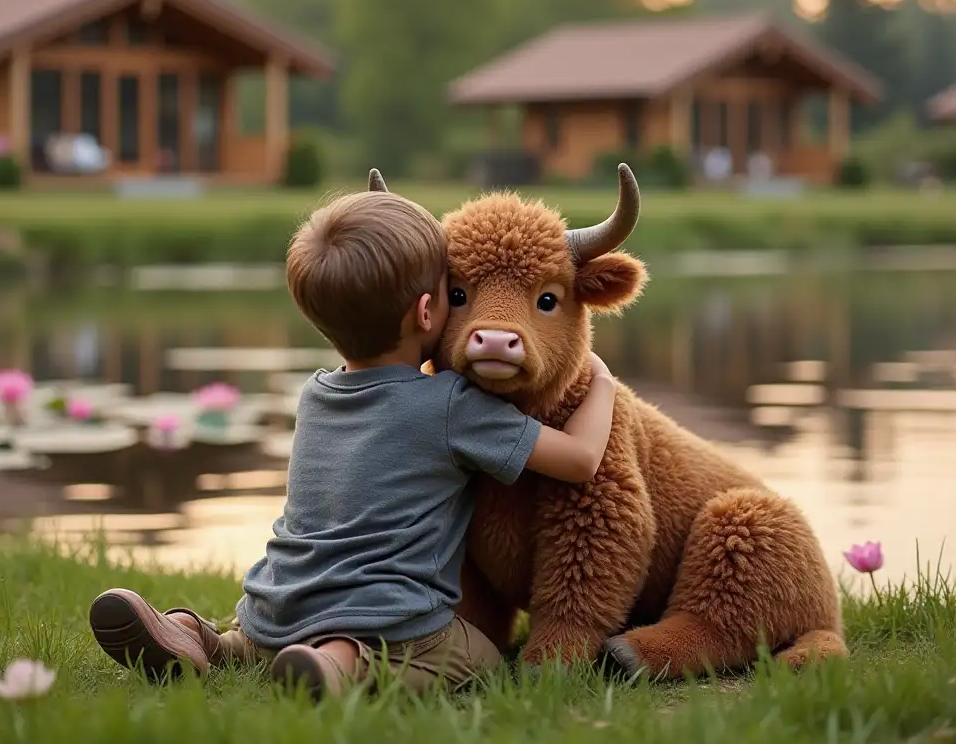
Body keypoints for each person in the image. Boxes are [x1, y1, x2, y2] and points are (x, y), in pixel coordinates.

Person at [89, 187, 618, 700]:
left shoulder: (314, 395)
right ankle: (340, 662)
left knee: (249, 645)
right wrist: (602, 385)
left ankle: (196, 633)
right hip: (391, 623)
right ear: (428, 313)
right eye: (457, 294)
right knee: (482, 658)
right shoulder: (453, 404)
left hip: (273, 606)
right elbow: (580, 460)